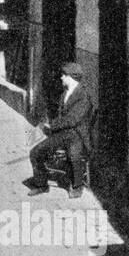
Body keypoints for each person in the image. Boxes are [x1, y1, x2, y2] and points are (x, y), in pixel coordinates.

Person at [28, 62, 94, 198]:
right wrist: (51, 128)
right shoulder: (65, 93)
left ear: (71, 77)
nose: (61, 78)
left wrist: (52, 126)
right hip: (63, 133)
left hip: (78, 134)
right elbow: (63, 119)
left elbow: (72, 120)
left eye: (64, 75)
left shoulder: (83, 96)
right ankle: (41, 184)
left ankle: (77, 186)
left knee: (74, 154)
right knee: (36, 152)